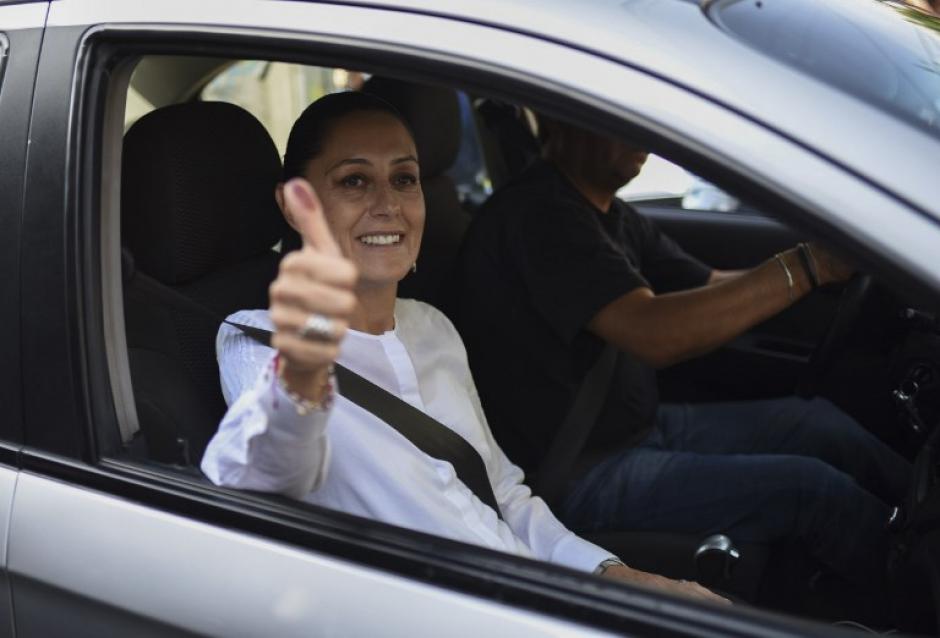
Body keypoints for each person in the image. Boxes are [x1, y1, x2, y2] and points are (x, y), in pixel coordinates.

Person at [200, 92, 725, 603]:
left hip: (530, 596)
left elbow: (504, 495)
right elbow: (265, 476)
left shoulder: (433, 328)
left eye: (404, 179)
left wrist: (612, 573)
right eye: (354, 181)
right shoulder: (258, 339)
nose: (387, 205)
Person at [452, 115, 911, 593]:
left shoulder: (609, 215)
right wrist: (809, 266)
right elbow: (655, 333)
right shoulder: (539, 216)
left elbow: (707, 286)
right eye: (617, 118)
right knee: (809, 488)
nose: (643, 134)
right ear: (564, 121)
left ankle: (923, 514)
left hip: (638, 429)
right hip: (577, 471)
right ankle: (916, 589)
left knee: (817, 424)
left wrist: (826, 270)